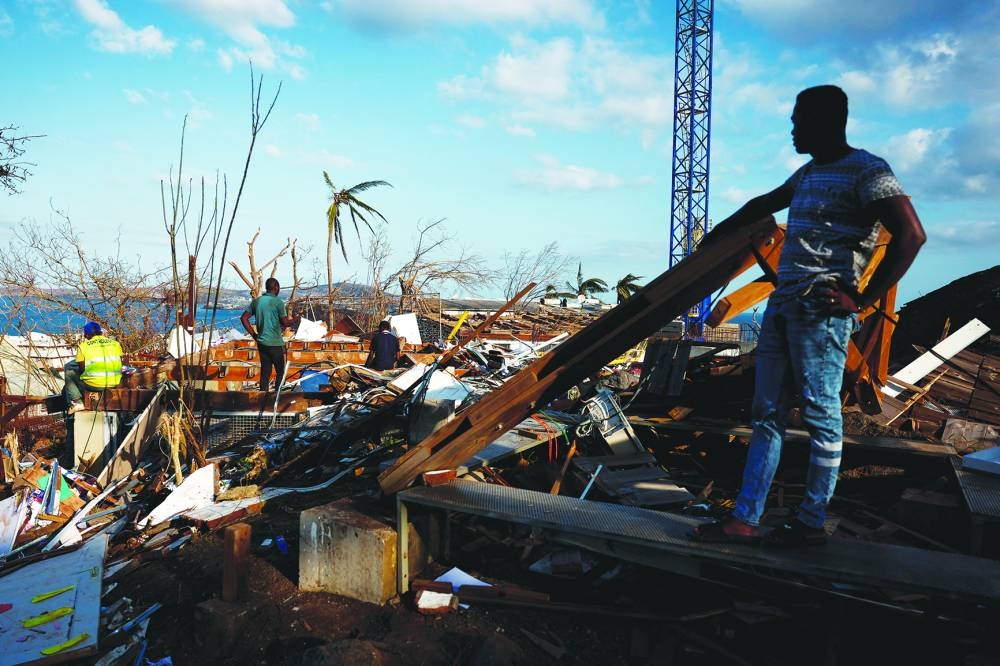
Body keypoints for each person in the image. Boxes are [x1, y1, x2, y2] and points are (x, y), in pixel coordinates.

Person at [691, 85, 926, 547]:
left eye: (799, 120)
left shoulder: (868, 171)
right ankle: (745, 518)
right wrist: (717, 233)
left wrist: (860, 300)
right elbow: (765, 203)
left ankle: (811, 522)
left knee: (821, 415)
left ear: (826, 121)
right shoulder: (809, 173)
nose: (793, 128)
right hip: (782, 307)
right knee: (767, 415)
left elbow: (911, 235)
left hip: (821, 315)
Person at [241, 278, 296, 392]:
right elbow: (285, 322)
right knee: (281, 371)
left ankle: (263, 398)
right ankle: (277, 396)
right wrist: (294, 320)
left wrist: (254, 335)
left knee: (265, 372)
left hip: (262, 343)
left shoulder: (257, 301)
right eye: (279, 288)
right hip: (275, 343)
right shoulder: (278, 302)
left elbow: (244, 318)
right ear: (276, 287)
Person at [64, 321, 123, 414]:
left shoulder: (83, 347)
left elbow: (82, 369)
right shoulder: (115, 344)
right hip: (115, 383)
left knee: (69, 372)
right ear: (101, 332)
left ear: (86, 335)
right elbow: (120, 361)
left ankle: (77, 403)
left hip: (95, 386)